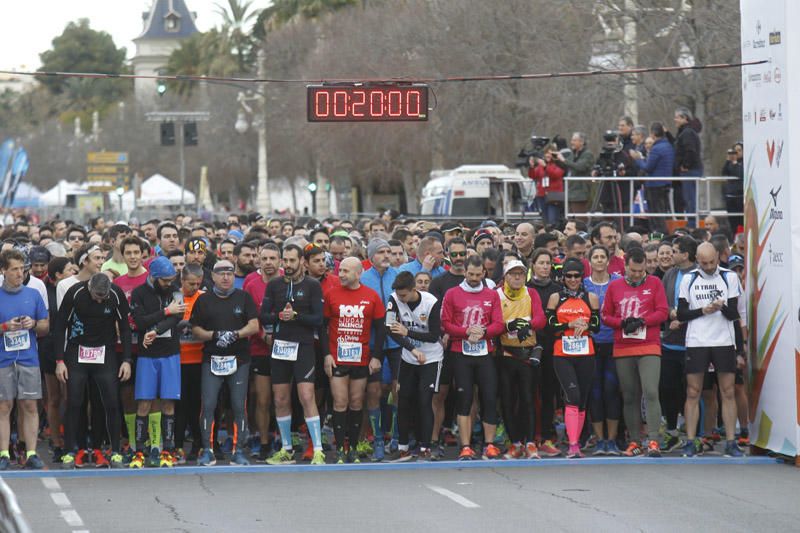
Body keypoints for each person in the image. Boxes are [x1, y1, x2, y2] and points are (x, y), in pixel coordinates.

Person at [55, 272, 130, 469]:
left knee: (112, 401)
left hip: (104, 352)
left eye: (102, 297)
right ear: (89, 289)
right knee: (75, 401)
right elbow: (60, 324)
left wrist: (127, 360)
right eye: (97, 296)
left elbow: (125, 327)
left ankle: (114, 451)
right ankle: (70, 451)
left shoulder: (115, 294)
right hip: (77, 351)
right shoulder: (75, 292)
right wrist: (59, 360)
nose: (99, 300)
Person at [260, 245, 326, 466]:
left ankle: (318, 449)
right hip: (280, 347)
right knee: (279, 398)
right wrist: (279, 316)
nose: (287, 265)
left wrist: (295, 316)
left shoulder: (312, 285)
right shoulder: (274, 285)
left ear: (302, 262)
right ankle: (286, 448)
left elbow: (318, 319)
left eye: (291, 260)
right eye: (284, 260)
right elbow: (264, 317)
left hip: (304, 346)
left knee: (307, 396)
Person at [190, 260, 260, 466]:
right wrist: (215, 335)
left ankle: (238, 451)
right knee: (209, 404)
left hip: (239, 359)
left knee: (239, 405)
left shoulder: (243, 297)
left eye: (229, 273)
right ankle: (208, 449)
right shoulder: (204, 301)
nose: (226, 277)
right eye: (221, 273)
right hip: (212, 359)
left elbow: (254, 325)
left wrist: (234, 335)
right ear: (212, 276)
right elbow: (195, 330)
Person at [677, 242, 743, 457]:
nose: (708, 267)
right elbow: (682, 313)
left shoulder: (729, 277)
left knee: (728, 391)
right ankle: (689, 440)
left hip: (723, 340)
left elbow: (734, 313)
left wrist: (720, 306)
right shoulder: (689, 278)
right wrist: (703, 310)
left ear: (717, 257)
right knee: (693, 391)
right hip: (697, 340)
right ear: (697, 259)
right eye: (703, 263)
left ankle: (732, 441)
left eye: (712, 262)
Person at [601, 247, 669, 457]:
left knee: (650, 391)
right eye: (633, 271)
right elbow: (605, 315)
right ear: (625, 267)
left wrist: (643, 321)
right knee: (629, 395)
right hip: (624, 345)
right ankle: (634, 440)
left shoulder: (655, 283)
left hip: (648, 343)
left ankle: (654, 440)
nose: (638, 275)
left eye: (641, 271)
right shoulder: (615, 286)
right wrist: (621, 323)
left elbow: (663, 312)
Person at [441, 256, 505, 460]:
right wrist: (466, 331)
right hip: (461, 352)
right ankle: (466, 446)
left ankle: (490, 444)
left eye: (478, 275)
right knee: (464, 398)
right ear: (464, 272)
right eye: (471, 274)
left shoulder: (491, 295)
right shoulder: (452, 294)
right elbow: (445, 323)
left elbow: (498, 324)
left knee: (488, 396)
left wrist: (483, 332)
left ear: (484, 273)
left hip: (484, 352)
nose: (475, 278)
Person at [323, 257, 386, 463]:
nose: (341, 274)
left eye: (346, 271)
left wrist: (376, 357)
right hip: (338, 357)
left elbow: (381, 329)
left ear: (358, 273)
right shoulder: (331, 294)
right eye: (340, 270)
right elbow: (321, 328)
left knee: (357, 402)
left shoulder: (371, 296)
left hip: (361, 358)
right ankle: (341, 448)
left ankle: (355, 447)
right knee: (340, 402)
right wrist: (327, 355)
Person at [130, 257, 185, 468]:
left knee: (169, 401)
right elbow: (140, 320)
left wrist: (156, 329)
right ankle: (140, 450)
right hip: (147, 355)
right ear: (153, 276)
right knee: (144, 402)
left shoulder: (176, 290)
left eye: (171, 279)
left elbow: (177, 317)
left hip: (170, 352)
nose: (169, 283)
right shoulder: (138, 293)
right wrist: (165, 311)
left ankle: (168, 450)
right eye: (165, 280)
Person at [383, 271, 443, 462]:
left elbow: (434, 335)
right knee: (404, 400)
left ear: (413, 290)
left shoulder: (431, 302)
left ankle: (425, 447)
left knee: (425, 401)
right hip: (410, 357)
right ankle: (402, 448)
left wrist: (408, 331)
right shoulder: (393, 299)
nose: (401, 299)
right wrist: (412, 349)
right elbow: (390, 329)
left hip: (431, 357)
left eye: (404, 295)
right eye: (399, 295)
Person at [0, 250, 49, 469]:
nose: (20, 273)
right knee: (4, 406)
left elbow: (45, 326)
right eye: (15, 269)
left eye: (22, 269)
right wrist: (4, 327)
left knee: (29, 405)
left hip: (29, 359)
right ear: (3, 271)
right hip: (3, 360)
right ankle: (3, 453)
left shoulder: (34, 294)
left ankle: (31, 453)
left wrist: (33, 324)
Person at [546, 258, 600, 458]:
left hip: (586, 353)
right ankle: (573, 444)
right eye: (569, 276)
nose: (572, 279)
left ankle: (576, 443)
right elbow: (550, 325)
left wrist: (586, 325)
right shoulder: (555, 298)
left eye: (577, 276)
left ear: (582, 277)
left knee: (583, 400)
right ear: (563, 277)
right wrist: (569, 325)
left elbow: (597, 325)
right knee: (573, 396)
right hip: (563, 354)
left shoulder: (591, 298)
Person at [496, 260, 546, 459]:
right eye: (513, 274)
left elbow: (541, 319)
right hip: (506, 354)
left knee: (528, 398)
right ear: (506, 276)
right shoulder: (497, 294)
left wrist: (529, 325)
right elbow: (494, 322)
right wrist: (508, 326)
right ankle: (515, 443)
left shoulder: (531, 293)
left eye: (520, 274)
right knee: (508, 400)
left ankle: (531, 443)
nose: (517, 277)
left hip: (526, 353)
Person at [359, 238, 400, 461]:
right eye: (381, 252)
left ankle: (395, 436)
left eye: (389, 251)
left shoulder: (399, 276)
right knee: (374, 392)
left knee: (398, 389)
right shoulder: (364, 278)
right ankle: (377, 440)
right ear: (371, 257)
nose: (387, 255)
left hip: (396, 342)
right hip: (373, 343)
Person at [242, 243, 281, 461]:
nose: (268, 263)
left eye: (272, 259)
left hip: (285, 348)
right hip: (259, 348)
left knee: (282, 398)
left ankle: (281, 438)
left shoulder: (287, 280)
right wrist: (263, 336)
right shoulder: (251, 283)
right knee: (262, 399)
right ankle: (264, 442)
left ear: (280, 261)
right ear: (258, 259)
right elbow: (249, 317)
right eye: (264, 258)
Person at [583, 245, 623, 455]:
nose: (599, 260)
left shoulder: (618, 282)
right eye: (595, 257)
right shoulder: (583, 284)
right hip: (590, 344)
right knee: (595, 392)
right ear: (589, 261)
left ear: (608, 261)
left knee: (611, 391)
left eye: (602, 257)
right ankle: (599, 440)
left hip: (614, 343)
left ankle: (613, 440)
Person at [659, 235, 697, 452]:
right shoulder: (670, 274)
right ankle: (672, 432)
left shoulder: (698, 275)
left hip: (694, 342)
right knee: (668, 388)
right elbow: (663, 304)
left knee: (694, 390)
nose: (670, 254)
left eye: (674, 251)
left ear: (685, 254)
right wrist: (670, 315)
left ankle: (696, 434)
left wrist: (681, 317)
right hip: (670, 343)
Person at [526, 248, 563, 457]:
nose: (545, 267)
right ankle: (531, 437)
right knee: (530, 394)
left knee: (550, 394)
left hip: (552, 346)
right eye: (541, 263)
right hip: (530, 346)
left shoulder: (558, 289)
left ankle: (548, 437)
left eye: (548, 263)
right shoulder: (526, 289)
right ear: (533, 265)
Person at [174, 264, 205, 464]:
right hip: (177, 360)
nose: (194, 287)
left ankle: (199, 445)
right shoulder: (174, 298)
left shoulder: (204, 298)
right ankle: (177, 446)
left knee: (197, 406)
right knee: (179, 406)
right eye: (190, 283)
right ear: (181, 281)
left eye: (197, 283)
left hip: (199, 359)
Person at [629, 122, 675, 232]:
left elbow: (648, 167)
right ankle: (663, 236)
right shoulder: (668, 146)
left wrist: (637, 159)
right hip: (665, 183)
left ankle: (659, 237)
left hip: (655, 185)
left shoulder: (656, 148)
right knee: (662, 213)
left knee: (656, 216)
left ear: (653, 134)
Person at [673, 107, 704, 221]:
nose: (674, 120)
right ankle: (692, 221)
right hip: (691, 169)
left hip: (690, 170)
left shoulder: (687, 133)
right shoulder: (687, 132)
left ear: (684, 118)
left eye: (677, 117)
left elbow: (690, 150)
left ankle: (692, 223)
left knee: (690, 198)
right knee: (689, 198)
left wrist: (685, 165)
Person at [555, 132, 594, 216]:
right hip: (571, 192)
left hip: (580, 193)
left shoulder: (588, 154)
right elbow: (565, 166)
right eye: (572, 140)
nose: (572, 142)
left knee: (580, 219)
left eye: (574, 140)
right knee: (570, 219)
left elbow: (580, 167)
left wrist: (564, 160)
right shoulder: (573, 154)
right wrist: (555, 159)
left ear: (582, 142)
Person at [722, 142, 744, 232]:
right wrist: (728, 161)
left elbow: (740, 174)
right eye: (735, 151)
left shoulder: (744, 163)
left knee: (741, 221)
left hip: (740, 197)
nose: (737, 153)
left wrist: (735, 163)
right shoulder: (730, 163)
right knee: (732, 222)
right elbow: (724, 173)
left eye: (739, 150)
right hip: (730, 197)